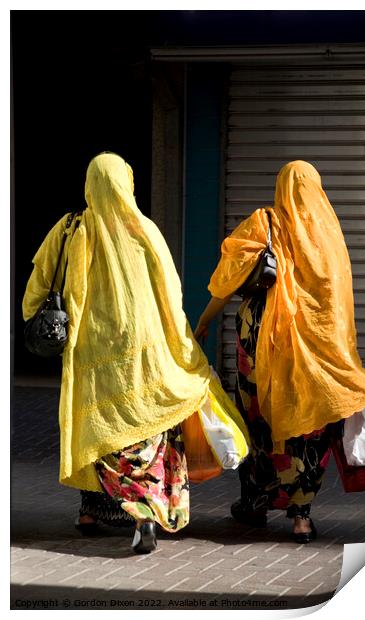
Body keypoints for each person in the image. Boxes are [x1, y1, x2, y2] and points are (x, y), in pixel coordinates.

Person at [22, 152, 246, 554]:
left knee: (100, 433)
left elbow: (36, 291)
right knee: (147, 429)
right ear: (128, 184)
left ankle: (93, 512)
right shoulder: (145, 230)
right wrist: (182, 343)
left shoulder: (69, 230)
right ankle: (146, 514)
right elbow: (170, 294)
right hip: (146, 353)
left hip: (92, 356)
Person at [194, 160, 365, 544]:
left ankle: (256, 502)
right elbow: (337, 303)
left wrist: (205, 321)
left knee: (259, 420)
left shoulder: (264, 224)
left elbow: (227, 280)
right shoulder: (329, 236)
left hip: (259, 344)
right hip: (314, 349)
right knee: (308, 428)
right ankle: (301, 517)